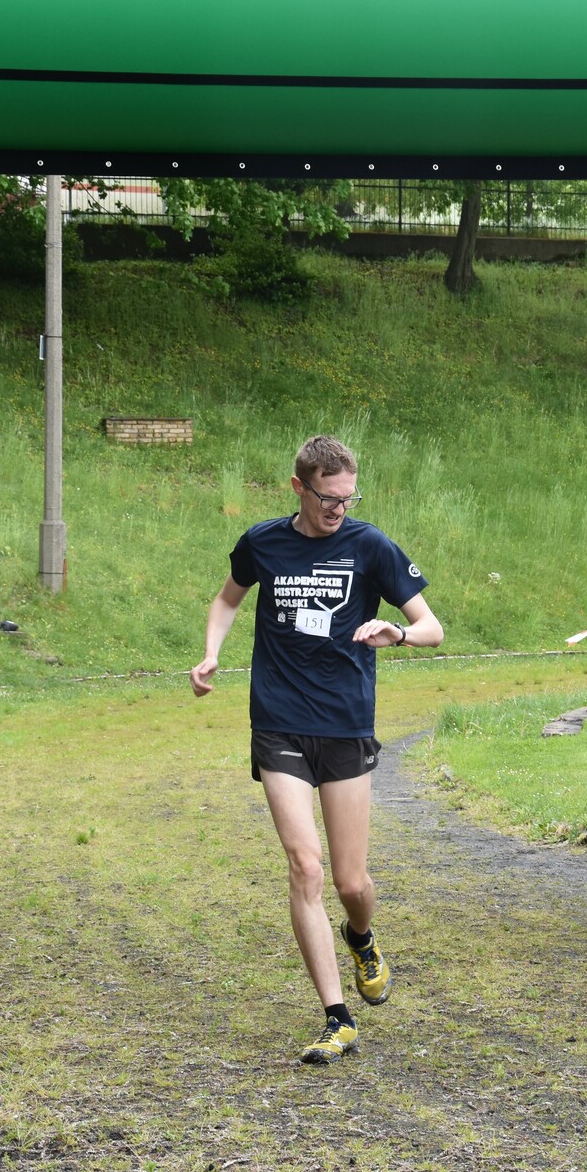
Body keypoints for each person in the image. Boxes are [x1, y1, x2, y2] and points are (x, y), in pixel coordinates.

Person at [190, 435, 442, 1064]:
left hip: (345, 722)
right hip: (278, 721)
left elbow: (432, 628)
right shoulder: (262, 542)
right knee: (305, 866)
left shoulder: (369, 545)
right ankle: (336, 1017)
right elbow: (227, 598)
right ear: (299, 488)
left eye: (348, 498)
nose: (339, 509)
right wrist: (212, 653)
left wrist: (397, 633)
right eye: (329, 498)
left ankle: (361, 936)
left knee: (351, 881)